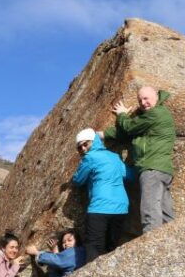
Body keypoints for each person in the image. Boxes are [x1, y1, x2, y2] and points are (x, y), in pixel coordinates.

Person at [101, 86, 175, 233]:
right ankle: (172, 246)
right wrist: (103, 134)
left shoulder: (156, 113)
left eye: (146, 98)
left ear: (155, 96)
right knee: (166, 214)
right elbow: (128, 133)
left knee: (150, 211)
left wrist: (122, 115)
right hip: (162, 169)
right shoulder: (150, 118)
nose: (143, 102)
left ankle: (152, 248)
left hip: (152, 168)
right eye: (140, 100)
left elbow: (129, 127)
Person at [71, 128, 131, 263]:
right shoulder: (114, 156)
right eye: (79, 147)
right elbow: (127, 174)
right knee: (111, 248)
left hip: (100, 207)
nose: (83, 149)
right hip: (121, 208)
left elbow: (78, 180)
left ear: (94, 142)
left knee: (93, 246)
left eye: (85, 144)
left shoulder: (90, 158)